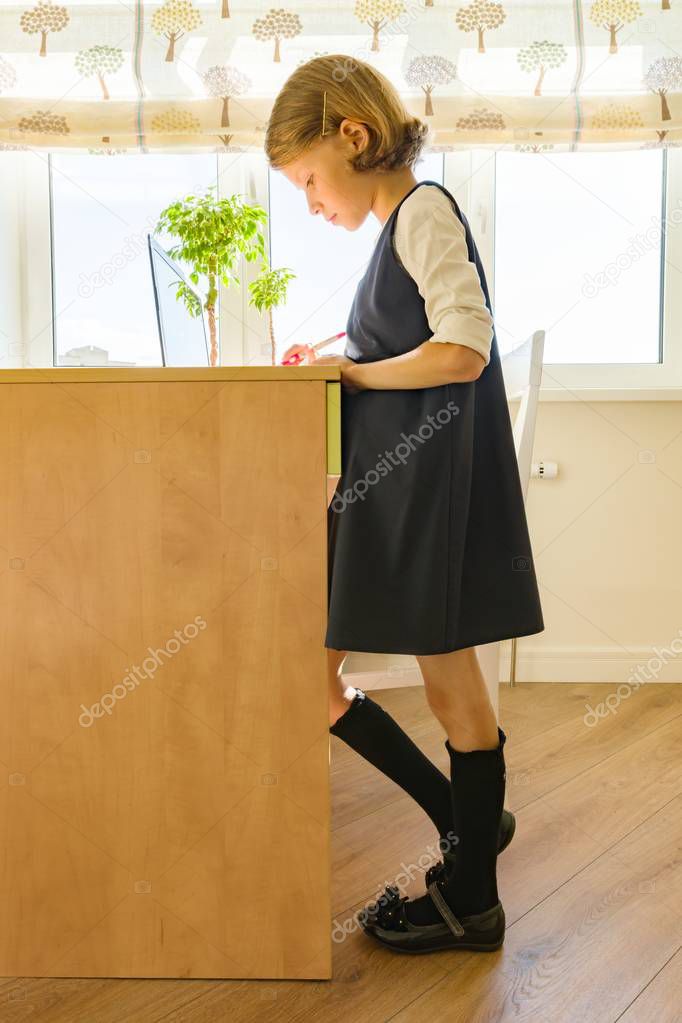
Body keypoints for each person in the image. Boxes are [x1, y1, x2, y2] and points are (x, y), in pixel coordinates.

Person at [265, 54, 545, 955]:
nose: (310, 202)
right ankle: (468, 832)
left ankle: (472, 897)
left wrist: (351, 369)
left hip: (425, 498)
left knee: (446, 685)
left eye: (309, 179)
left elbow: (462, 346)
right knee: (382, 681)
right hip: (401, 494)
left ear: (353, 136)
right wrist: (345, 346)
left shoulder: (421, 212)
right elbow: (414, 331)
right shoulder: (399, 227)